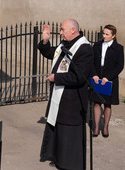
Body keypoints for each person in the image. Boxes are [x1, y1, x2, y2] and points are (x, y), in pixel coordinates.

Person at [39, 19, 94, 170]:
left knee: (69, 139)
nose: (60, 32)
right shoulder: (65, 45)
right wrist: (45, 41)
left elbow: (78, 77)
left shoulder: (84, 49)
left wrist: (55, 77)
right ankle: (59, 161)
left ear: (73, 31)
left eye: (63, 30)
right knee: (59, 136)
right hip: (60, 100)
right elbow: (52, 54)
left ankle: (68, 165)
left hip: (72, 103)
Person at [90, 24, 124, 138]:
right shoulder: (97, 45)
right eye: (103, 33)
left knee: (108, 104)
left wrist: (107, 77)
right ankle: (96, 128)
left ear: (113, 36)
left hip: (110, 79)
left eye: (107, 34)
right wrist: (94, 74)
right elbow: (91, 62)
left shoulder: (119, 48)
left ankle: (105, 127)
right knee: (97, 103)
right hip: (97, 77)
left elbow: (120, 66)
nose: (104, 36)